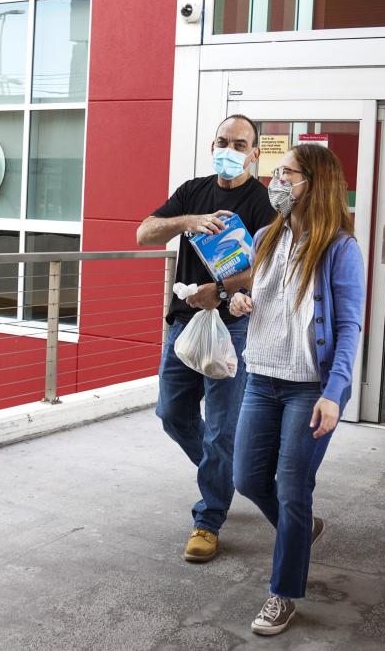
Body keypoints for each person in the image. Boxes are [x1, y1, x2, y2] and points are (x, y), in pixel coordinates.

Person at [228, 144, 365, 636]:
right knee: (246, 478)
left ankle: (282, 593)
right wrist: (239, 300)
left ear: (315, 183)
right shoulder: (265, 235)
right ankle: (303, 528)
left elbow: (349, 327)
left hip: (310, 387)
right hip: (261, 378)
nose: (276, 181)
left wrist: (336, 391)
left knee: (292, 489)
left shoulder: (340, 248)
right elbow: (250, 293)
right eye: (277, 171)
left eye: (287, 173)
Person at [136, 115, 275, 563]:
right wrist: (188, 221)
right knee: (171, 411)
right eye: (222, 141)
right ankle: (223, 475)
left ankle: (208, 519)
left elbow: (269, 267)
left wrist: (217, 291)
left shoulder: (263, 203)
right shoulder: (193, 192)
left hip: (232, 325)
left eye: (240, 144)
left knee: (220, 428)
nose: (229, 150)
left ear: (255, 152)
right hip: (183, 322)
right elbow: (143, 232)